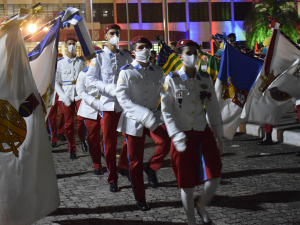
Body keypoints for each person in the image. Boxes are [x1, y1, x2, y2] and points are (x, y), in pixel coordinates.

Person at [161, 39, 223, 225]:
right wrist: (175, 134)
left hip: (203, 132)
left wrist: (219, 135)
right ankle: (191, 221)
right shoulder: (171, 78)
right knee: (186, 181)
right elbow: (166, 110)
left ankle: (201, 204)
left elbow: (213, 108)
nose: (193, 56)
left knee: (215, 174)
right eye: (189, 53)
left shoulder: (204, 79)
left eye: (196, 52)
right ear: (180, 56)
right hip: (182, 134)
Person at [116, 36, 171, 211]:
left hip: (154, 117)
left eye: (147, 47)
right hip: (135, 118)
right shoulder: (126, 72)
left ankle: (152, 167)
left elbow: (165, 95)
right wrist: (143, 114)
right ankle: (140, 197)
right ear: (133, 52)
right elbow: (123, 99)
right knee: (136, 160)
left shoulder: (159, 72)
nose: (145, 50)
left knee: (165, 141)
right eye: (141, 47)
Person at [87, 24, 133, 192]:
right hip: (109, 105)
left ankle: (123, 166)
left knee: (131, 138)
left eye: (117, 33)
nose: (115, 36)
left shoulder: (126, 56)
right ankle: (112, 177)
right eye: (112, 33)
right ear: (105, 36)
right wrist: (108, 89)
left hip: (126, 105)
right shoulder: (98, 57)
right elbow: (91, 80)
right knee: (109, 143)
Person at [55, 36, 88, 159]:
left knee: (82, 119)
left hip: (79, 94)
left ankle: (82, 139)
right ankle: (72, 148)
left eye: (74, 44)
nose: (72, 46)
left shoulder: (81, 61)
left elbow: (85, 77)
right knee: (68, 124)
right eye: (69, 43)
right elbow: (56, 82)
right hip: (67, 95)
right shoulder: (60, 63)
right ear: (65, 45)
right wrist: (63, 96)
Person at [76, 46, 104, 175]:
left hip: (105, 107)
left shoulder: (104, 73)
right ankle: (97, 164)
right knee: (93, 138)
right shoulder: (83, 74)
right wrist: (93, 101)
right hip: (89, 108)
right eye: (90, 60)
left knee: (107, 137)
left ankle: (106, 156)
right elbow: (81, 92)